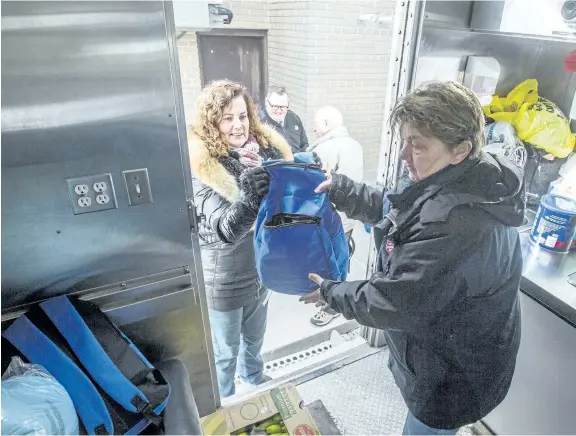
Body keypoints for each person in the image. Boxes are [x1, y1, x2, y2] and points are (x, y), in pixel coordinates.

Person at [301, 81, 524, 435]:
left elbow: (394, 301)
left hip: (453, 379)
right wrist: (342, 190)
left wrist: (331, 293)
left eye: (417, 146)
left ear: (460, 150)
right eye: (403, 140)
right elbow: (399, 208)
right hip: (447, 359)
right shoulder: (460, 178)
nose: (405, 155)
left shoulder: (459, 226)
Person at [188, 80, 293, 398]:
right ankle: (225, 403)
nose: (238, 125)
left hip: (261, 271)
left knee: (255, 339)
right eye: (227, 118)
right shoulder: (204, 169)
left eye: (243, 116)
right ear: (212, 123)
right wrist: (248, 198)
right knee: (224, 352)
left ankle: (255, 378)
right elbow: (225, 230)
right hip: (224, 278)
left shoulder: (266, 155)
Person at [307, 106, 364, 326]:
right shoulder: (354, 145)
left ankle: (332, 306)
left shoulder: (328, 149)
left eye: (317, 123)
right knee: (341, 256)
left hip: (330, 219)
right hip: (348, 216)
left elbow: (315, 185)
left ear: (328, 124)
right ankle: (334, 297)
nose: (313, 127)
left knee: (329, 260)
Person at [259, 85, 309, 153]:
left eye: (283, 106)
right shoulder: (259, 123)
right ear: (266, 102)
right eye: (275, 106)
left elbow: (304, 145)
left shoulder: (294, 118)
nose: (279, 111)